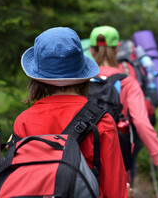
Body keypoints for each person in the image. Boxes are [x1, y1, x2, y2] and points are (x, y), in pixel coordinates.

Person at [12, 27, 131, 197]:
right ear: (83, 74)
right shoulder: (102, 122)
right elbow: (116, 191)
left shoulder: (24, 121)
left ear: (36, 79)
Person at [89, 25, 158, 190]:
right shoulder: (128, 82)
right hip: (118, 157)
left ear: (91, 50)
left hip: (85, 156)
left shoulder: (81, 82)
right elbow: (142, 123)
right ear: (117, 49)